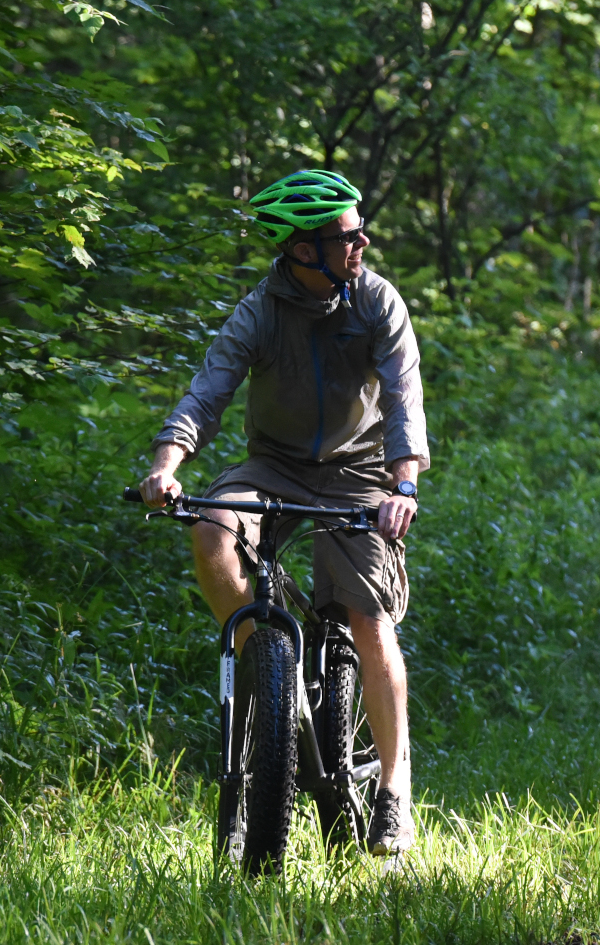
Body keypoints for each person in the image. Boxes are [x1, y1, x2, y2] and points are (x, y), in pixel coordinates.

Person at [139, 168, 427, 857]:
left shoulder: (378, 302)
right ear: (302, 249)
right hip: (273, 464)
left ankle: (395, 787)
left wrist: (402, 484)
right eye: (345, 235)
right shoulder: (260, 310)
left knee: (366, 617)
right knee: (212, 528)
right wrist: (165, 467)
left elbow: (402, 400)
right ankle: (271, 675)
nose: (360, 243)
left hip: (359, 475)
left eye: (358, 231)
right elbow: (206, 392)